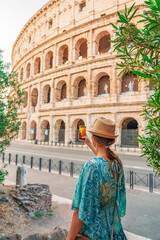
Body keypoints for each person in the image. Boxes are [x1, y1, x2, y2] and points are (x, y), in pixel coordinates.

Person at [66, 117, 127, 240]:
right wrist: (89, 143)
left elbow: (80, 211)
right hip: (115, 231)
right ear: (111, 141)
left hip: (96, 233)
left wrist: (68, 239)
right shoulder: (116, 162)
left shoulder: (92, 166)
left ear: (94, 138)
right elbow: (103, 160)